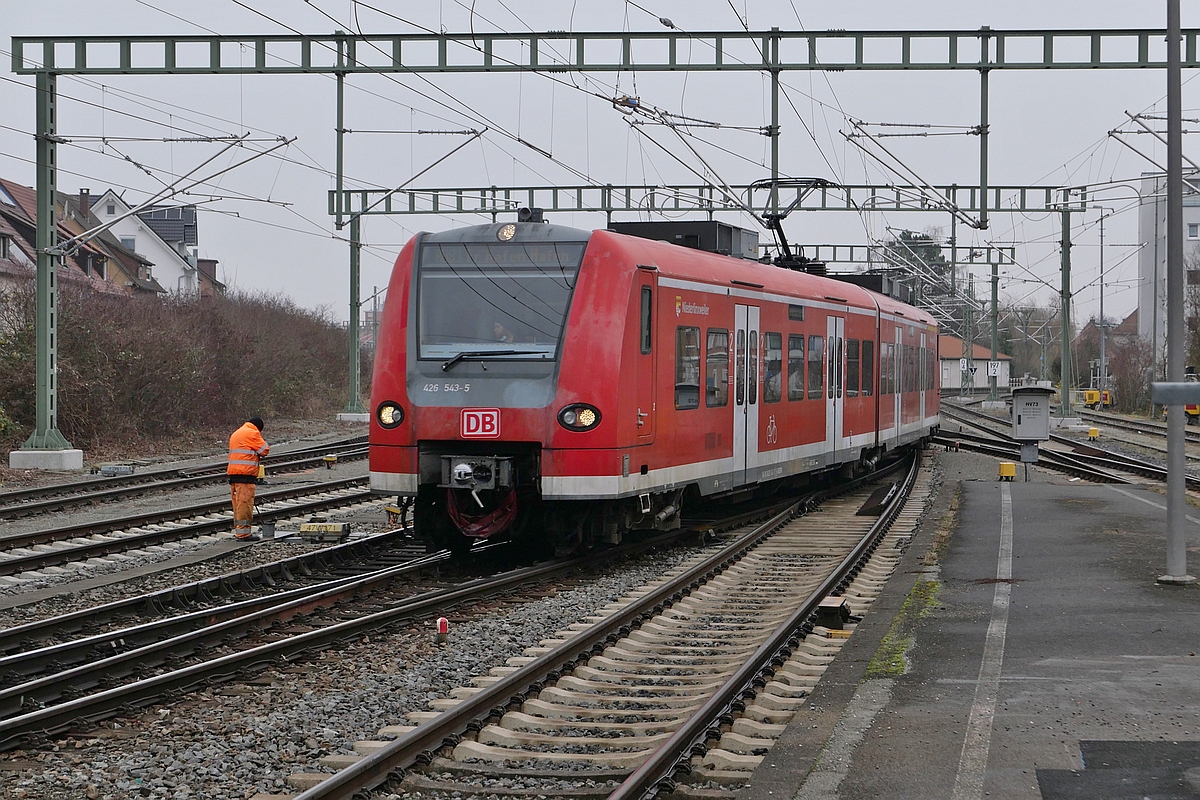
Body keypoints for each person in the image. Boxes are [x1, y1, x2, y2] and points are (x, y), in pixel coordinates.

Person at [228, 416, 270, 540]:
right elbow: (264, 450)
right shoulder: (252, 433)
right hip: (245, 475)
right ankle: (243, 534)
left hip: (234, 475)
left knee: (238, 504)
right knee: (245, 505)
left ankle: (239, 531)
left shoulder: (237, 433)